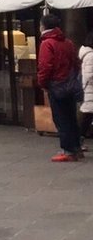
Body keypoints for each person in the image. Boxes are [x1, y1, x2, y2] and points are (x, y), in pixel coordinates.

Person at [37, 13, 82, 162]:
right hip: (70, 84)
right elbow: (76, 63)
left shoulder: (47, 43)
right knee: (71, 117)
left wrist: (43, 84)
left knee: (61, 119)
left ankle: (68, 150)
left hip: (56, 85)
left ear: (43, 26)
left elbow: (45, 66)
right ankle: (76, 147)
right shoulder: (68, 42)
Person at [80, 32, 93, 139]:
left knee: (87, 116)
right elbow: (90, 75)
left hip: (89, 90)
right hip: (91, 90)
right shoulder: (91, 56)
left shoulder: (86, 54)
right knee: (87, 116)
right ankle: (78, 141)